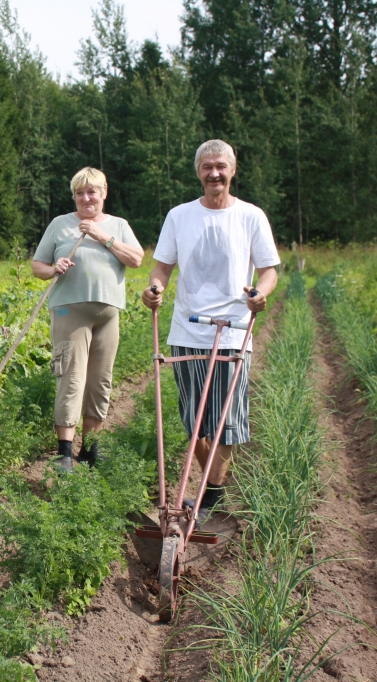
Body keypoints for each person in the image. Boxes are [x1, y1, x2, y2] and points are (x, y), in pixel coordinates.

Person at [141, 139, 279, 521]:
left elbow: (268, 272)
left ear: (232, 170)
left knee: (226, 424)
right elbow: (162, 270)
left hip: (234, 332)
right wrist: (153, 291)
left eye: (221, 166)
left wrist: (260, 295)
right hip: (187, 332)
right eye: (207, 167)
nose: (214, 173)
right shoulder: (179, 216)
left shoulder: (251, 216)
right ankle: (210, 491)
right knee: (196, 423)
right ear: (198, 172)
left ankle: (211, 497)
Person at [32, 167, 144, 471]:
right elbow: (37, 266)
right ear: (74, 196)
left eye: (91, 191)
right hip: (68, 312)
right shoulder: (60, 224)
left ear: (104, 192)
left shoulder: (118, 225)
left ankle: (91, 449)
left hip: (108, 316)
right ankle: (64, 452)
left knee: (100, 381)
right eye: (79, 193)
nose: (86, 198)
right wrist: (54, 267)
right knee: (69, 375)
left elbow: (136, 259)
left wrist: (102, 237)